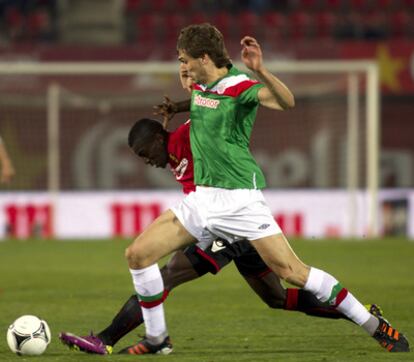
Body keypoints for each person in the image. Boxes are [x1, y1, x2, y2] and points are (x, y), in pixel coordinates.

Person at [80, 24, 412, 355]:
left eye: (184, 59)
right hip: (201, 201)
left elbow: (286, 101)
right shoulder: (201, 85)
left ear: (205, 58)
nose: (181, 65)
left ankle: (373, 325)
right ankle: (156, 339)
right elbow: (202, 100)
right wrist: (177, 107)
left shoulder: (239, 87)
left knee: (292, 273)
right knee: (137, 254)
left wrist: (261, 70)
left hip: (239, 201)